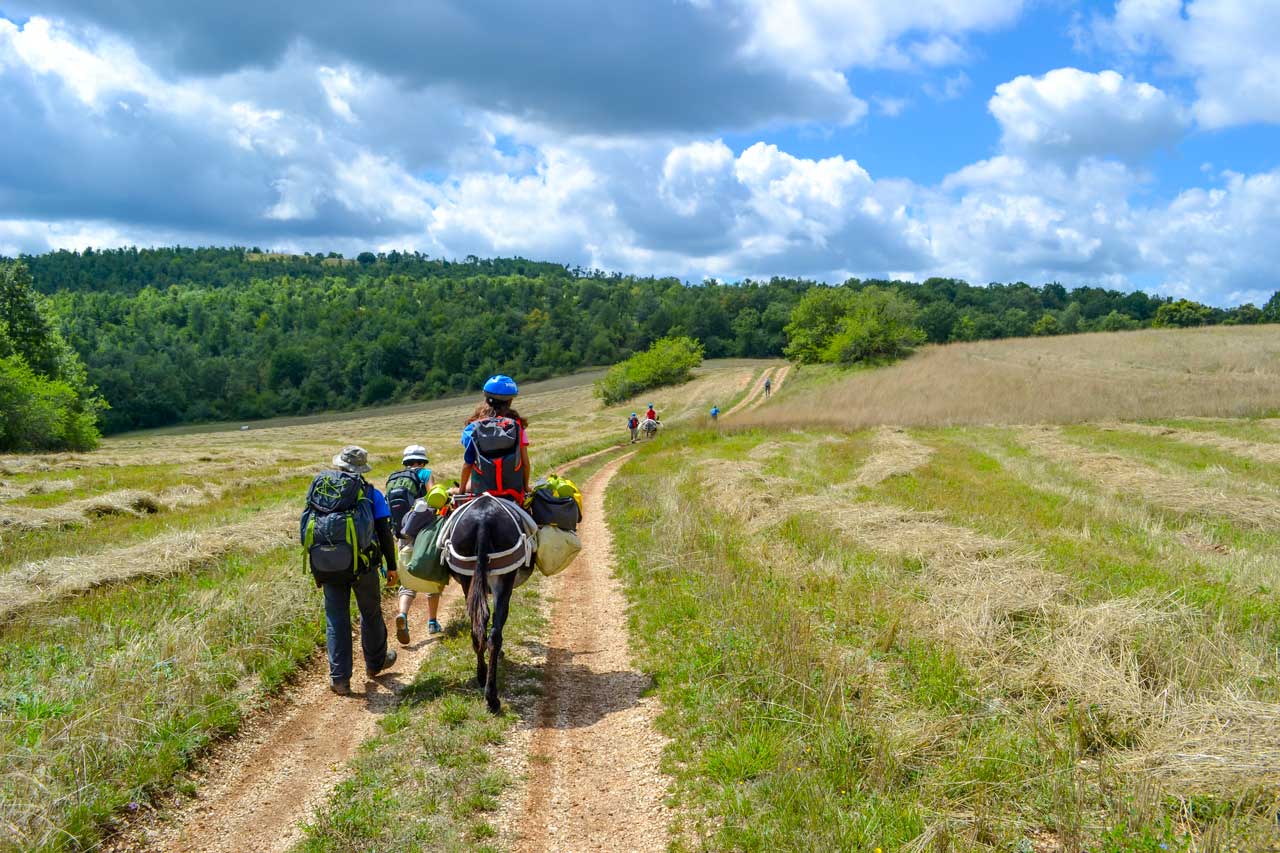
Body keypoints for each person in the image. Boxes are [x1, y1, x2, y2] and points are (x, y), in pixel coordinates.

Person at [320, 445, 398, 696]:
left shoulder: (324, 490)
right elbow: (384, 531)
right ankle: (375, 664)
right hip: (364, 564)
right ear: (361, 469)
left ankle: (340, 679)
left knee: (336, 618)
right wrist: (392, 566)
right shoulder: (370, 492)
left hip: (329, 564)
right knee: (370, 612)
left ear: (339, 466)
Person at [391, 444, 441, 645]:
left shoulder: (395, 477)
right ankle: (432, 622)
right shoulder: (426, 473)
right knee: (432, 572)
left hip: (402, 531)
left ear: (405, 461)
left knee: (407, 576)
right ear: (423, 460)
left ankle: (403, 614)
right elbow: (433, 498)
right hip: (425, 531)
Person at [458, 374, 531, 502]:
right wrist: (525, 487)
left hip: (482, 489)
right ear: (510, 401)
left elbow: (467, 465)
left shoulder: (473, 428)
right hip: (513, 490)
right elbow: (525, 463)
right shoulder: (517, 426)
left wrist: (461, 490)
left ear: (486, 398)